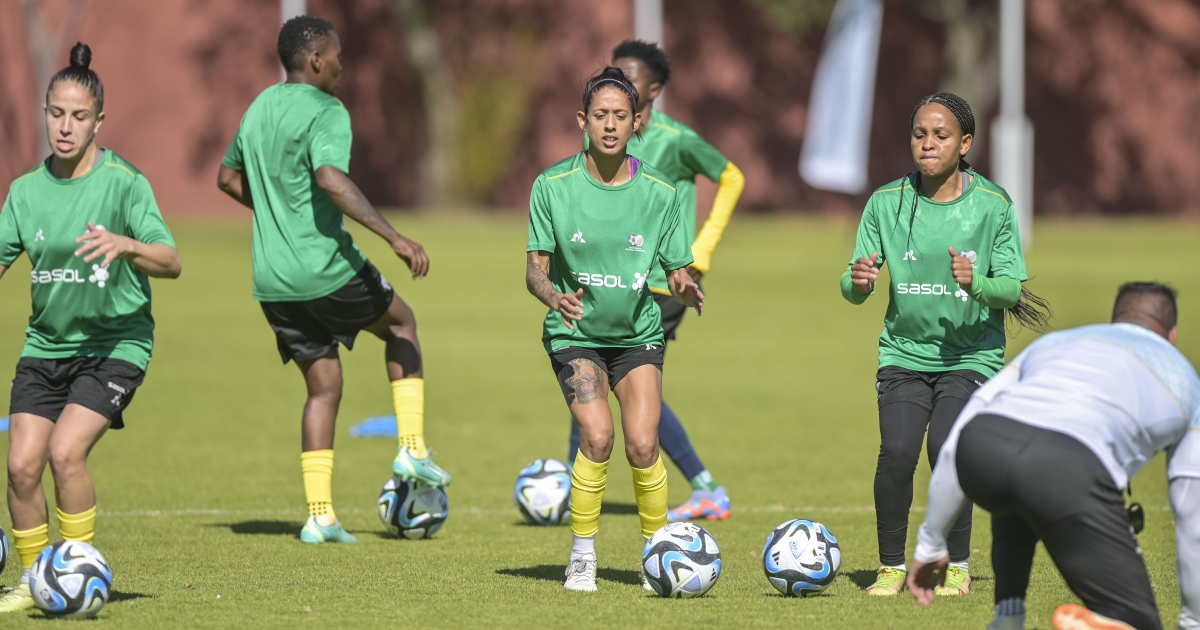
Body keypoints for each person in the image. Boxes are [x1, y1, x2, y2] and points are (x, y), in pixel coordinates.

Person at [216, 16, 446, 545]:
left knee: (323, 388)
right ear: (316, 59)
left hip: (272, 281)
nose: (343, 66)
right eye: (337, 57)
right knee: (403, 324)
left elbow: (227, 178)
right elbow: (329, 177)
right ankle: (412, 449)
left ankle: (320, 517)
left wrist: (275, 212)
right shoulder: (327, 110)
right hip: (322, 267)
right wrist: (395, 237)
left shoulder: (258, 108)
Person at [841, 92, 1049, 596]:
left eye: (940, 135)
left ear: (965, 143)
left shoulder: (993, 205)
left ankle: (955, 564)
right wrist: (861, 281)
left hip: (970, 356)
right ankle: (891, 567)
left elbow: (1012, 289)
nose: (927, 143)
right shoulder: (886, 202)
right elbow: (850, 287)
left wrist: (975, 281)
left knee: (947, 449)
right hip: (904, 354)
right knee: (897, 451)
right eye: (919, 134)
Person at [0, 43, 181, 612]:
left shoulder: (124, 183)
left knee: (64, 454)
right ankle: (34, 582)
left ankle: (76, 574)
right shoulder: (25, 193)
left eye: (79, 116)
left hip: (115, 346)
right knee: (21, 465)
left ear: (100, 120)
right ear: (45, 113)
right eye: (56, 113)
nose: (65, 126)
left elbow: (171, 261)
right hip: (46, 345)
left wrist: (126, 245)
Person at [909, 283, 1199, 630]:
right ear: (1172, 334)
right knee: (1138, 622)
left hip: (983, 446)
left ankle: (1007, 618)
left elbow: (961, 432)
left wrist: (930, 543)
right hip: (1066, 468)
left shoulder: (1057, 342)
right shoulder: (1184, 378)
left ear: (1114, 322)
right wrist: (1192, 621)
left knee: (1017, 485)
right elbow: (1191, 514)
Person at [526, 67, 703, 592]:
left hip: (635, 334)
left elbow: (674, 267)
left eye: (620, 116)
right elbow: (535, 267)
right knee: (598, 436)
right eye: (599, 115)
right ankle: (582, 556)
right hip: (574, 333)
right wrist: (552, 294)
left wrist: (684, 282)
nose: (609, 125)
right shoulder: (552, 186)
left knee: (644, 445)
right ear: (582, 120)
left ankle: (658, 555)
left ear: (637, 123)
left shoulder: (659, 192)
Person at [567, 40, 745, 522]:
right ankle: (574, 482)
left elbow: (732, 178)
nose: (621, 82)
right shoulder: (605, 136)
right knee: (596, 375)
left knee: (622, 381)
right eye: (615, 72)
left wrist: (702, 251)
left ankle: (704, 485)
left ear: (655, 90)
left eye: (631, 76)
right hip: (612, 279)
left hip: (664, 284)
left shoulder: (676, 137)